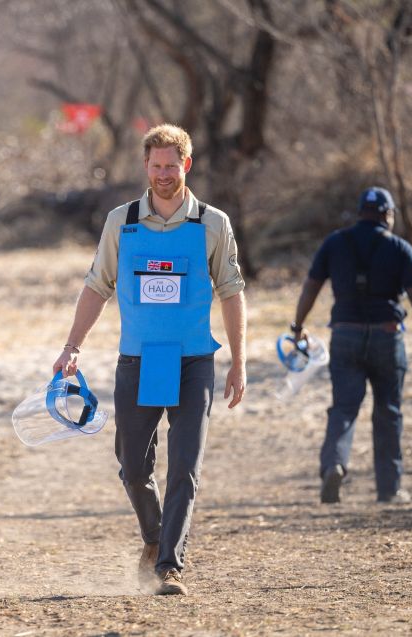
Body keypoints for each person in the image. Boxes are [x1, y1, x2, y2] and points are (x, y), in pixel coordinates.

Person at [53, 124, 247, 595]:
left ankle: (169, 566)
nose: (164, 174)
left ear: (187, 165)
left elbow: (232, 292)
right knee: (133, 467)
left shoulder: (212, 223)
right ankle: (155, 536)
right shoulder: (123, 221)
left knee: (186, 465)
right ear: (146, 166)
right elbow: (98, 285)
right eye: (156, 166)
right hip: (139, 361)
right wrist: (72, 345)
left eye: (171, 166)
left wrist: (239, 361)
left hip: (194, 361)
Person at [290, 186, 412, 505]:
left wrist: (297, 327)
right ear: (388, 215)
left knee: (344, 408)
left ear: (360, 212)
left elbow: (311, 286)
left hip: (345, 335)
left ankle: (334, 465)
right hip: (387, 336)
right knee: (388, 411)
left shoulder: (335, 242)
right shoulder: (400, 248)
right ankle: (389, 489)